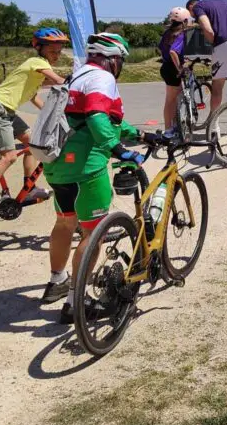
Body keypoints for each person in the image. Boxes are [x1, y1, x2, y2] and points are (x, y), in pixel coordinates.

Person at [41, 32, 144, 324]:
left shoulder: (78, 76)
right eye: (120, 60)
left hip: (58, 164)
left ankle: (57, 280)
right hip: (86, 167)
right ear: (112, 59)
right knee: (93, 232)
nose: (120, 65)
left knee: (64, 222)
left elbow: (93, 118)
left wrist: (140, 134)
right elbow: (99, 118)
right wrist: (119, 150)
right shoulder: (102, 78)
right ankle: (76, 302)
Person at [0, 28, 69, 222]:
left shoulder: (35, 73)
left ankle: (30, 188)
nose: (57, 55)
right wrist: (75, 85)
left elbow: (34, 97)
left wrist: (57, 114)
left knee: (33, 145)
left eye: (59, 51)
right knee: (9, 157)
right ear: (40, 48)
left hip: (7, 111)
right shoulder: (37, 62)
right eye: (53, 51)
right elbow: (59, 80)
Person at [160, 7, 193, 136]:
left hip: (166, 67)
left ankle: (173, 126)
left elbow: (162, 48)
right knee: (171, 100)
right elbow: (173, 51)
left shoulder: (168, 32)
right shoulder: (181, 34)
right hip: (173, 69)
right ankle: (168, 130)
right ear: (184, 21)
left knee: (173, 100)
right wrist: (180, 68)